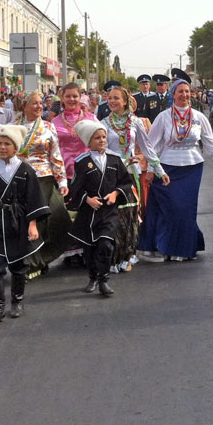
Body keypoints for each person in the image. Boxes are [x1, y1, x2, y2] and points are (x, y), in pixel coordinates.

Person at [139, 70, 213, 262]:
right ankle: (160, 245)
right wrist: (150, 170)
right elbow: (153, 146)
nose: (184, 95)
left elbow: (211, 144)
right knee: (170, 207)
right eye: (180, 91)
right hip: (167, 167)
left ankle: (181, 248)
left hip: (192, 167)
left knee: (185, 208)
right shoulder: (164, 117)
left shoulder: (199, 117)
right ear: (173, 94)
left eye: (187, 91)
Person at [0, 124, 50, 325]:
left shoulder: (25, 170)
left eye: (7, 143)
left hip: (18, 222)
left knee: (18, 264)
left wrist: (32, 224)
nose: (2, 147)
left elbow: (33, 198)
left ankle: (17, 301)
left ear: (16, 147)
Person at [101, 85, 169, 271]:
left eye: (117, 98)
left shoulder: (136, 123)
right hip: (111, 173)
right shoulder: (104, 123)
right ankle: (113, 256)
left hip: (131, 173)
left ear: (125, 101)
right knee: (113, 214)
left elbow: (148, 148)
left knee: (130, 214)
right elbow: (100, 149)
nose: (113, 101)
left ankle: (127, 255)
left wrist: (160, 171)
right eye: (110, 98)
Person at [68, 121, 134, 296]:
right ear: (88, 142)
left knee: (106, 244)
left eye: (104, 137)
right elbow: (75, 188)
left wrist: (115, 194)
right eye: (97, 138)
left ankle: (104, 280)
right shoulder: (82, 162)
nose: (102, 140)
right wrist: (87, 200)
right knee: (90, 248)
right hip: (90, 214)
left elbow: (126, 182)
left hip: (109, 212)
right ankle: (93, 277)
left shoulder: (115, 159)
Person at [17, 90, 73, 274]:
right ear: (23, 106)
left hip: (44, 179)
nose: (39, 106)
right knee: (25, 222)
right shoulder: (14, 127)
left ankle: (43, 258)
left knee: (49, 220)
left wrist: (62, 181)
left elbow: (55, 155)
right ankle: (31, 263)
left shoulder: (48, 126)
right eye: (34, 103)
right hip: (21, 179)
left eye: (41, 103)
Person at [53, 82, 97, 181]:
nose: (71, 99)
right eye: (68, 96)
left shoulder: (91, 118)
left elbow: (102, 143)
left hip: (88, 171)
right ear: (62, 98)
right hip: (63, 174)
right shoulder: (55, 122)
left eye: (75, 96)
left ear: (80, 97)